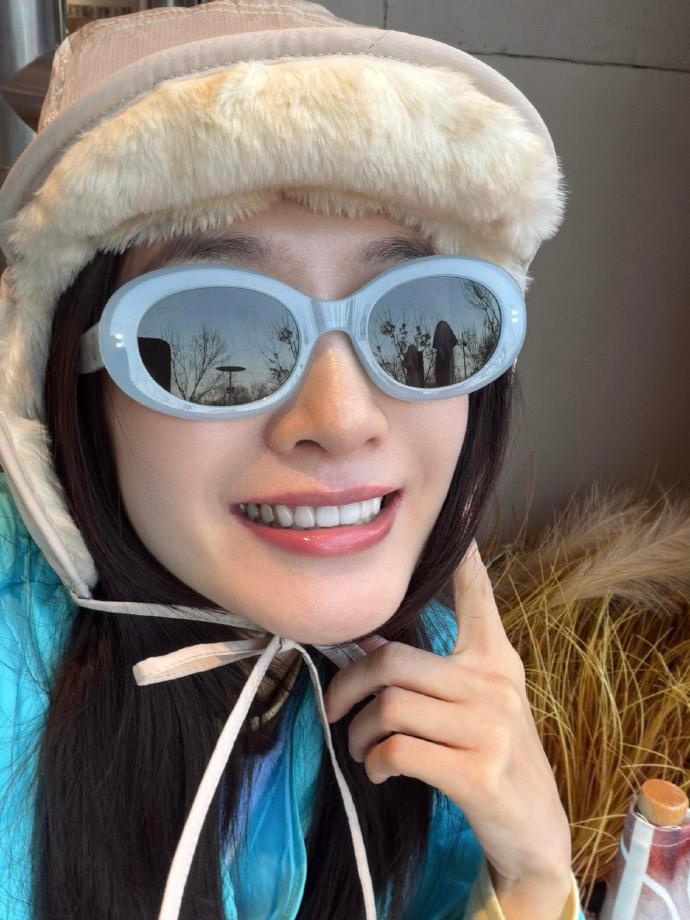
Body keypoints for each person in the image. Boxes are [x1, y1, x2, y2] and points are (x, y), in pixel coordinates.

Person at [0, 2, 586, 918]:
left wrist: (534, 876)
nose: (343, 419)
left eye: (419, 317)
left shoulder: (436, 685)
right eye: (213, 328)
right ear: (65, 390)